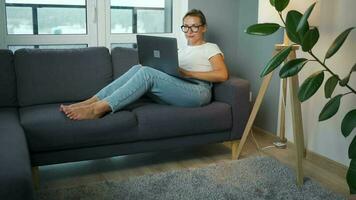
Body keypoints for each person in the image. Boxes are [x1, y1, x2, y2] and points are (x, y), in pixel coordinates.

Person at [60, 9, 228, 120]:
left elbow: (222, 74)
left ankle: (98, 109)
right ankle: (91, 101)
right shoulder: (180, 50)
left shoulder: (210, 48)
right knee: (139, 68)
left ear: (204, 28)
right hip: (178, 89)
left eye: (195, 27)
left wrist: (190, 74)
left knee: (146, 72)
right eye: (186, 27)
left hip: (198, 91)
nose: (189, 31)